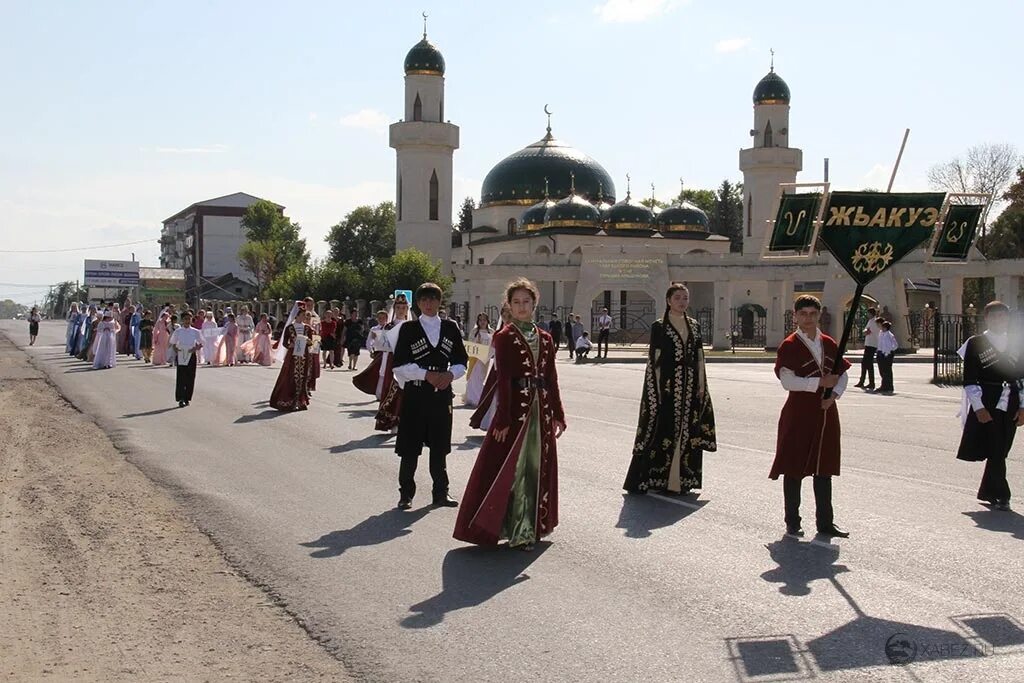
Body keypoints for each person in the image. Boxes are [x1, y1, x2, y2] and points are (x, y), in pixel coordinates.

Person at [454, 278, 566, 549]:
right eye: (516, 302)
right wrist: (502, 419)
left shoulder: (547, 338)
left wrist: (559, 414)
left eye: (526, 301)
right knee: (516, 468)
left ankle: (532, 525)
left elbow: (551, 377)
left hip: (542, 409)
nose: (521, 306)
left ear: (534, 303)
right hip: (517, 412)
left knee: (536, 466)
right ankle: (519, 529)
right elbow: (502, 380)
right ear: (509, 305)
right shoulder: (503, 337)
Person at [769, 295, 851, 538]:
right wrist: (819, 383)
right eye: (803, 314)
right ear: (795, 316)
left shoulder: (828, 342)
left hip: (826, 411)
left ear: (819, 314)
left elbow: (842, 374)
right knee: (794, 467)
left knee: (823, 468)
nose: (808, 318)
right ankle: (793, 521)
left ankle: (826, 522)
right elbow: (787, 381)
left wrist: (833, 394)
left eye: (812, 314)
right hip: (799, 412)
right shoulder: (789, 345)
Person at [624, 282, 717, 495]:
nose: (682, 302)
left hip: (690, 388)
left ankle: (683, 480)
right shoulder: (660, 326)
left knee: (688, 431)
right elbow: (654, 359)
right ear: (668, 301)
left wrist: (701, 386)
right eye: (677, 298)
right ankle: (658, 479)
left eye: (685, 298)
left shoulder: (694, 325)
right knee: (662, 431)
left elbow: (699, 356)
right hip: (666, 390)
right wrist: (655, 390)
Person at [392, 283, 468, 510]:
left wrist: (449, 375)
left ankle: (441, 493)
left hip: (441, 394)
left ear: (439, 302)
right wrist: (425, 374)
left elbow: (461, 361)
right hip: (416, 393)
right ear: (417, 303)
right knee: (410, 447)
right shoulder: (408, 329)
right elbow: (399, 366)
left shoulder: (450, 327)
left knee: (439, 445)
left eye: (432, 299)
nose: (428, 304)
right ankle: (406, 494)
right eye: (424, 300)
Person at [955, 301, 1024, 511]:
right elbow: (970, 380)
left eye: (1002, 316)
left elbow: (1022, 378)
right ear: (986, 318)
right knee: (995, 444)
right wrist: (979, 407)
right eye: (993, 316)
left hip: (1011, 400)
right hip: (988, 400)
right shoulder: (976, 343)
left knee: (1002, 447)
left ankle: (987, 490)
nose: (998, 320)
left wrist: (1023, 407)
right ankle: (1003, 494)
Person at [375, 296, 413, 427]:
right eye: (398, 307)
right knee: (391, 389)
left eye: (403, 308)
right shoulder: (389, 326)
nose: (401, 310)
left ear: (407, 309)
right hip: (392, 360)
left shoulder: (412, 326)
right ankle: (389, 420)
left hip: (407, 361)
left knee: (405, 391)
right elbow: (383, 346)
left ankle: (403, 421)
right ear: (394, 309)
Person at [270, 309, 313, 411]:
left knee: (303, 377)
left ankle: (300, 401)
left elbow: (312, 342)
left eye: (305, 315)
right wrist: (290, 345)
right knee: (290, 376)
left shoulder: (307, 328)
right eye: (302, 315)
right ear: (297, 316)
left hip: (303, 355)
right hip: (293, 356)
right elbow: (284, 342)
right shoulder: (289, 328)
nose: (304, 317)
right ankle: (289, 401)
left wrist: (308, 341)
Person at [169, 312, 202, 407]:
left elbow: (201, 343)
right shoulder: (178, 331)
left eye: (189, 319)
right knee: (181, 377)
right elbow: (173, 343)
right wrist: (176, 349)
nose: (187, 321)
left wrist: (195, 348)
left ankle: (187, 397)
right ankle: (181, 398)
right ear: (182, 320)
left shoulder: (195, 331)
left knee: (190, 377)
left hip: (191, 355)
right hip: (181, 355)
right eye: (185, 319)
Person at [353, 310, 389, 396]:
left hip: (388, 353)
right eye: (379, 318)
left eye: (383, 318)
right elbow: (369, 341)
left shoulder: (390, 328)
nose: (381, 320)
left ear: (387, 318)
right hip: (378, 353)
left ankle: (385, 392)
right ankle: (379, 393)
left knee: (385, 373)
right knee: (378, 372)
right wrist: (371, 351)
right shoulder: (374, 329)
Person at [464, 313, 494, 407]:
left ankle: (480, 397)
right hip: (475, 358)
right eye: (480, 320)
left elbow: (493, 344)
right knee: (473, 378)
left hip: (485, 358)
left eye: (484, 320)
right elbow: (470, 343)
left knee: (481, 378)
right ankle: (472, 398)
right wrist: (477, 342)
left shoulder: (491, 332)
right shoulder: (474, 331)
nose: (482, 322)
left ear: (487, 321)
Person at [855, 307, 880, 390]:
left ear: (871, 313)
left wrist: (865, 332)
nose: (867, 314)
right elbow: (865, 330)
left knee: (868, 364)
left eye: (868, 313)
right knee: (865, 364)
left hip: (872, 344)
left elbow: (867, 331)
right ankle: (863, 381)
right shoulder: (870, 321)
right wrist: (865, 331)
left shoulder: (874, 322)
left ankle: (870, 382)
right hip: (869, 344)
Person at [874, 320, 898, 394]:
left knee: (887, 371)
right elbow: (880, 344)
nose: (882, 328)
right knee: (882, 370)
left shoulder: (890, 335)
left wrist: (890, 351)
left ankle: (888, 386)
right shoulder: (881, 334)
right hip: (880, 353)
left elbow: (895, 345)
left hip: (887, 354)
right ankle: (884, 385)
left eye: (884, 327)